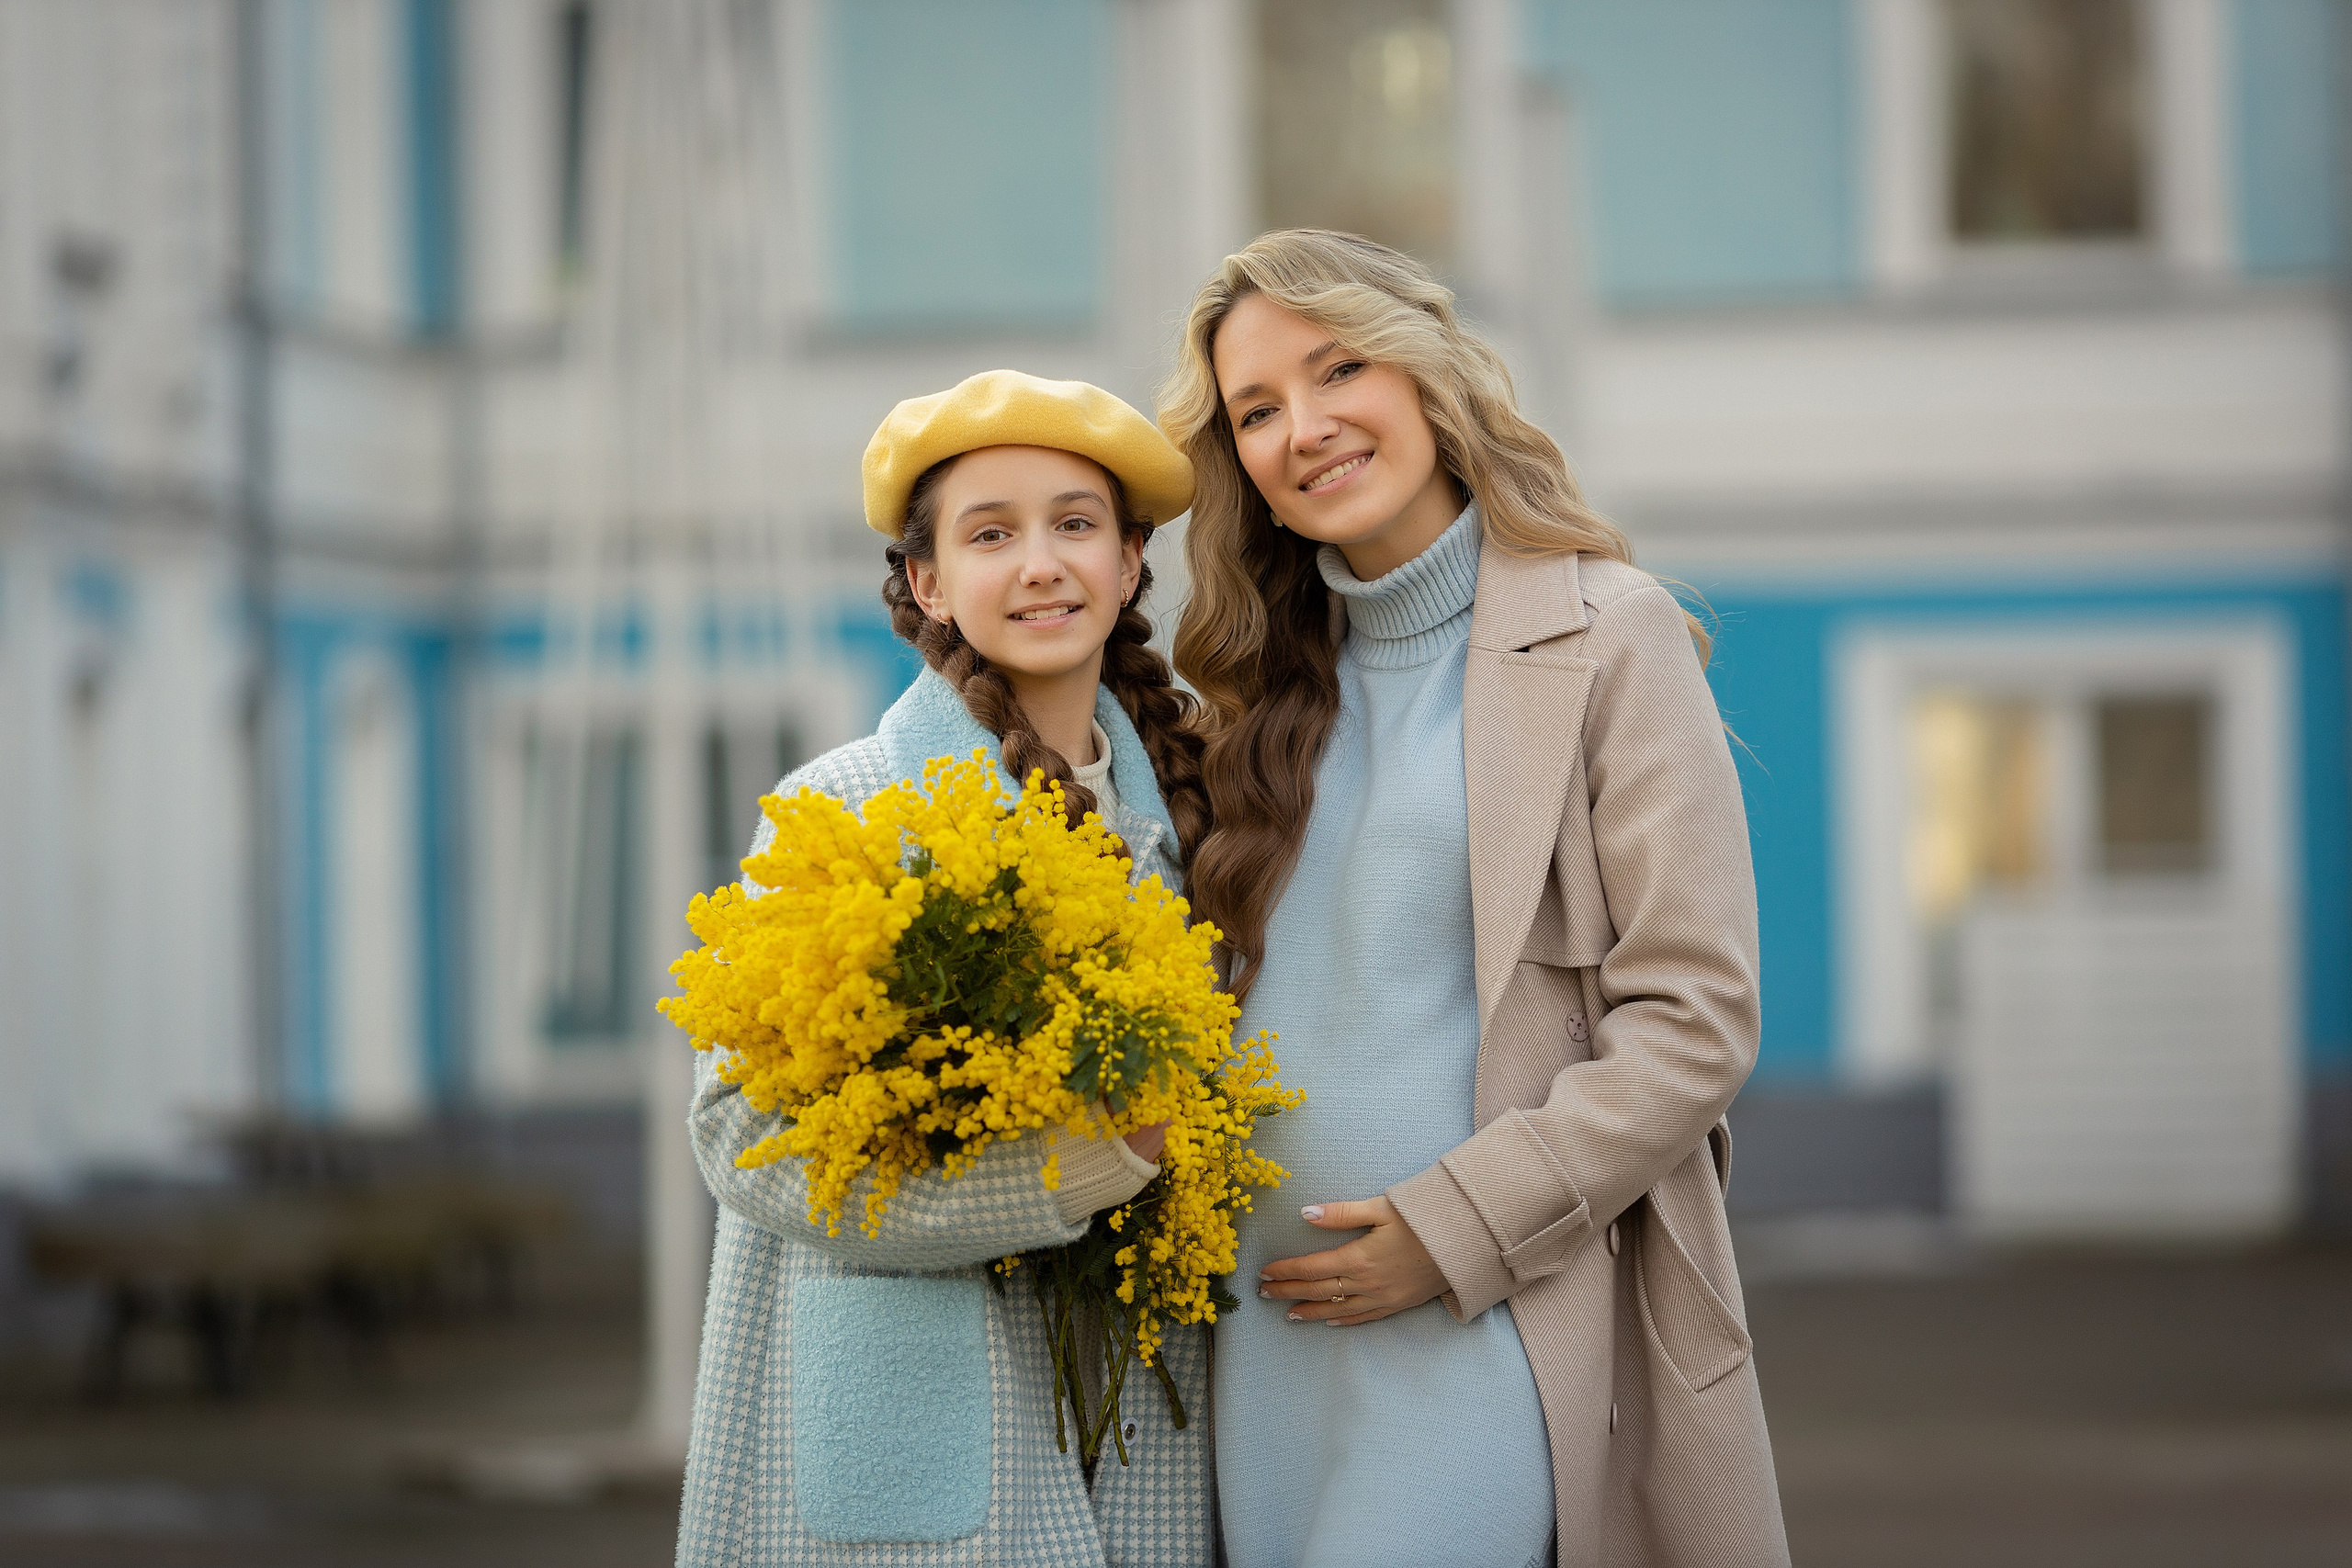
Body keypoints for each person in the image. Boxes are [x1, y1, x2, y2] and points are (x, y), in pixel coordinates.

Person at [1159, 230, 1789, 1568]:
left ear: (1427, 374)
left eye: (1339, 369)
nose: (1304, 428)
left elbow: (1695, 1021)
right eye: (1255, 411)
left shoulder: (1610, 635)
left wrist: (1452, 1231)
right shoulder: (1251, 703)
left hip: (1490, 1318)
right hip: (1263, 1355)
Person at [676, 370, 1215, 1568]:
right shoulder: (843, 809)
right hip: (910, 1413)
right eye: (991, 534)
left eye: (1075, 524)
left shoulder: (1190, 824)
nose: (1041, 565)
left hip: (1141, 1415)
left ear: (1131, 561)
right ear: (926, 583)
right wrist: (1075, 1168)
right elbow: (738, 1133)